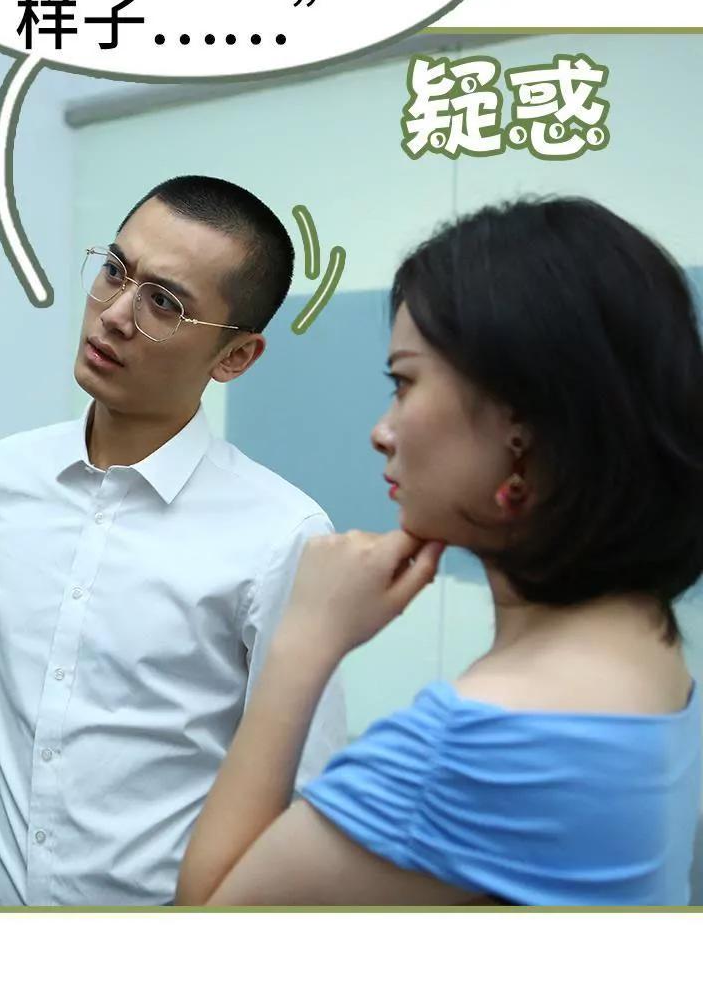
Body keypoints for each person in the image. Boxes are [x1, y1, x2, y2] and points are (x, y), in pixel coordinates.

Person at [178, 197, 703, 906]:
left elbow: (206, 929)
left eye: (404, 383)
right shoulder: (648, 645)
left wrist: (304, 640)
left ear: (522, 423)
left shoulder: (473, 744)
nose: (382, 432)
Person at [0, 176, 347, 906]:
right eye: (114, 271)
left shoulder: (282, 536)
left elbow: (301, 784)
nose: (114, 315)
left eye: (164, 303)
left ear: (235, 358)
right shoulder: (2, 477)